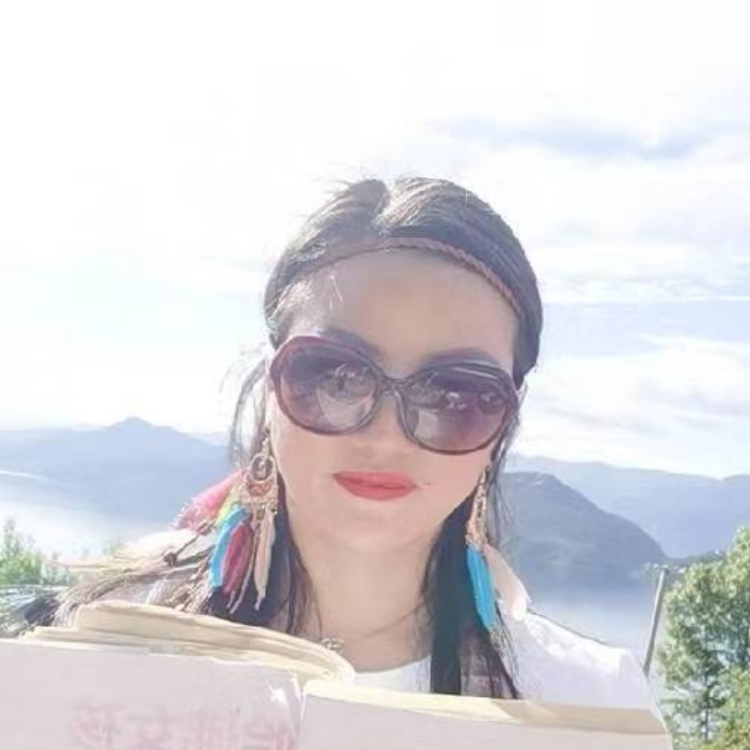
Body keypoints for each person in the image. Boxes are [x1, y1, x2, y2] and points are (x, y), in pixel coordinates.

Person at [48, 177, 658, 709]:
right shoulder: (91, 654)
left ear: (504, 426)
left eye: (456, 395)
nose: (386, 433)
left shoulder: (589, 706)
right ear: (270, 388)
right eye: (335, 376)